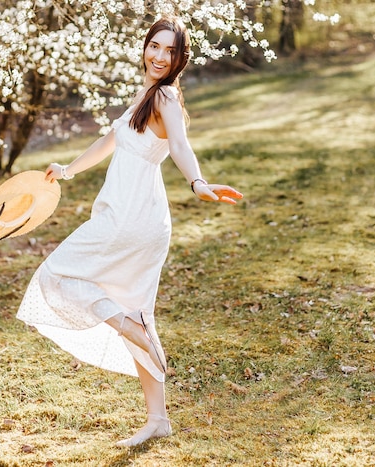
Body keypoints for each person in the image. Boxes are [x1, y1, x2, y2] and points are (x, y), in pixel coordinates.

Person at [16, 16, 243, 447]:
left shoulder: (165, 97)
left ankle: (125, 325)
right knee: (139, 312)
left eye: (169, 51)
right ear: (145, 46)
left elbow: (180, 145)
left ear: (180, 59)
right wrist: (67, 169)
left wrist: (198, 183)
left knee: (55, 274)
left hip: (130, 218)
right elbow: (111, 139)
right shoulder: (146, 94)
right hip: (134, 216)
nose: (159, 56)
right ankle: (157, 417)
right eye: (154, 46)